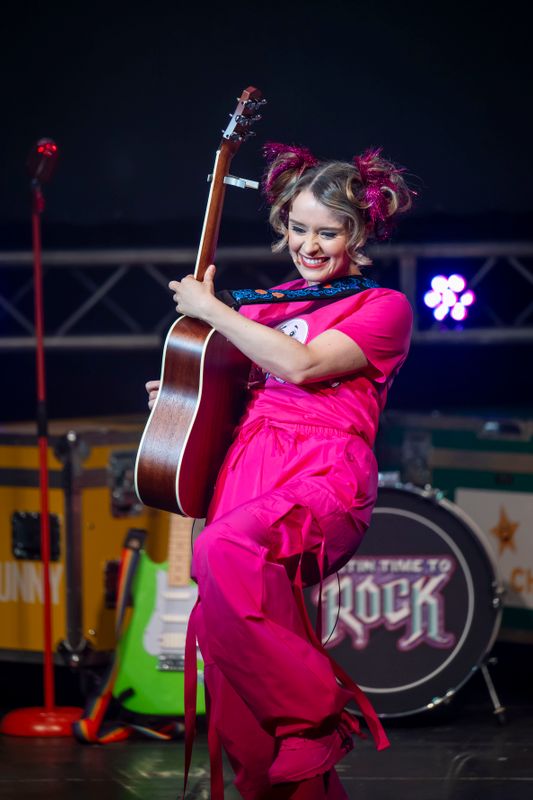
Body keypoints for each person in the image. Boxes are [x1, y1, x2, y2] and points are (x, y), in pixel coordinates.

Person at [145, 142, 414, 800]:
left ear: (359, 233)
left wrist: (211, 311)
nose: (310, 246)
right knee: (238, 690)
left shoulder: (382, 308)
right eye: (298, 228)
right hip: (248, 470)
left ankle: (316, 715)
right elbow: (229, 388)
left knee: (226, 547)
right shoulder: (264, 307)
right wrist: (181, 395)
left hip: (320, 475)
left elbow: (301, 367)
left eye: (329, 232)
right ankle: (293, 763)